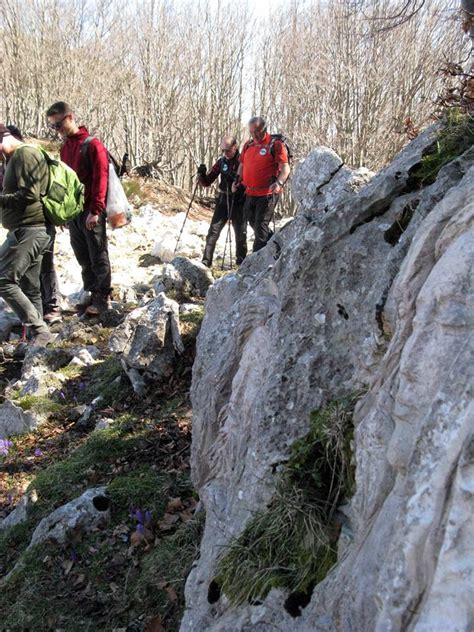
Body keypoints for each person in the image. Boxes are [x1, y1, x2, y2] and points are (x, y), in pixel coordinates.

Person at [46, 101, 111, 316]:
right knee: (83, 256)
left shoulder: (93, 144)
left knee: (98, 254)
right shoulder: (65, 148)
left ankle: (102, 298)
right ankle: (91, 293)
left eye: (59, 124)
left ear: (70, 117)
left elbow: (102, 178)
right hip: (74, 212)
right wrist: (63, 213)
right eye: (53, 127)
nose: (58, 130)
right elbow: (64, 182)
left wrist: (96, 210)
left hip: (91, 210)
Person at [0, 125, 61, 324]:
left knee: (4, 280)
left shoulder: (24, 155)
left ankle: (39, 330)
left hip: (30, 229)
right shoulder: (14, 158)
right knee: (30, 287)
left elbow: (29, 194)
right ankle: (36, 338)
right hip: (28, 228)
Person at [232, 116, 290, 252]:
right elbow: (242, 164)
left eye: (257, 131)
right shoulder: (248, 145)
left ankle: (258, 259)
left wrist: (279, 183)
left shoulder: (275, 145)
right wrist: (237, 180)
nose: (254, 134)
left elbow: (285, 168)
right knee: (252, 222)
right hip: (250, 192)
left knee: (260, 226)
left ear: (264, 129)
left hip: (267, 193)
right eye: (251, 132)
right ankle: (275, 246)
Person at [199, 136, 247, 267]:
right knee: (213, 231)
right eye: (223, 150)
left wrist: (238, 185)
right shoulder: (221, 162)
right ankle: (206, 261)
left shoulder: (243, 161)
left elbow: (249, 182)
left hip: (239, 202)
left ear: (235, 147)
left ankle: (241, 263)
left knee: (240, 234)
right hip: (222, 201)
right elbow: (207, 182)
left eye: (228, 150)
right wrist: (201, 175)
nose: (225, 153)